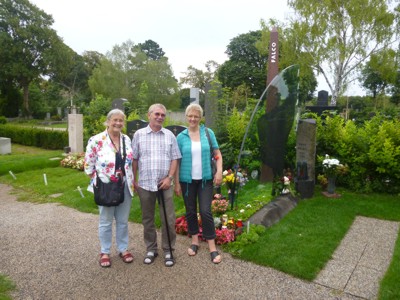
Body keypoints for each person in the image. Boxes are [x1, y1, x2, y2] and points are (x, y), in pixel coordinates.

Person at [132, 103, 181, 267]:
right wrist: (134, 180)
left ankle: (168, 249)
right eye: (157, 114)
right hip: (145, 184)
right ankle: (151, 249)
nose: (160, 117)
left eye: (162, 115)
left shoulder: (169, 136)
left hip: (164, 184)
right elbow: (135, 159)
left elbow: (175, 158)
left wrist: (169, 178)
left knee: (168, 218)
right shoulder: (139, 135)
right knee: (148, 219)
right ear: (149, 115)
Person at [84, 109, 135, 268]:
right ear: (108, 121)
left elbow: (130, 162)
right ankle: (105, 251)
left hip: (125, 185)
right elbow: (88, 165)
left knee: (123, 221)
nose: (118, 123)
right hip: (106, 186)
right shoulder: (97, 140)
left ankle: (123, 248)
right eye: (115, 120)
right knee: (106, 221)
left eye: (121, 120)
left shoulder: (126, 139)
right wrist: (99, 182)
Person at [175, 103, 223, 264]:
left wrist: (219, 171)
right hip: (187, 181)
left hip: (205, 179)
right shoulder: (181, 137)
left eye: (196, 116)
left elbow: (217, 154)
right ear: (187, 117)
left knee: (205, 211)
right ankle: (195, 241)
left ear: (200, 118)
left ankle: (212, 246)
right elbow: (177, 161)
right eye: (190, 116)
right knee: (190, 211)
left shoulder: (208, 133)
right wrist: (176, 183)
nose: (193, 119)